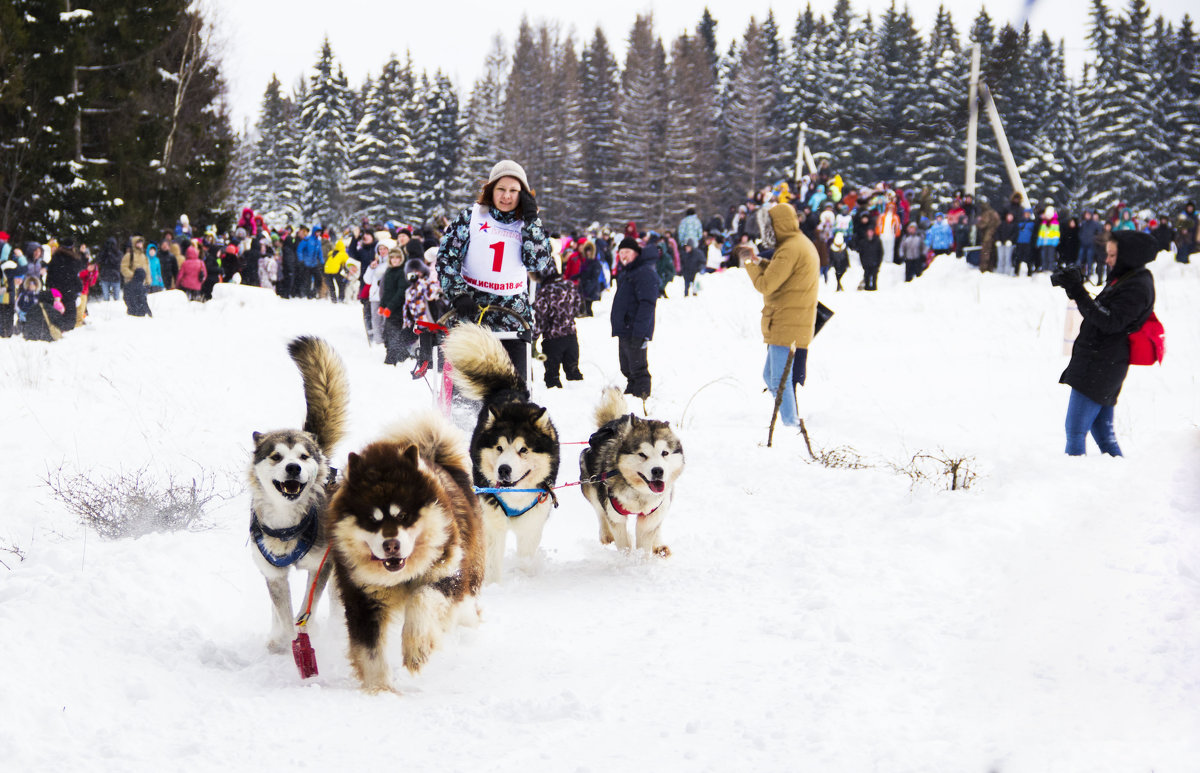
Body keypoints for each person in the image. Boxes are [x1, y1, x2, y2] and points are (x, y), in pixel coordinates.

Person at [436, 160, 553, 380]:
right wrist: (458, 294)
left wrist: (532, 222)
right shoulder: (471, 217)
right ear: (491, 189)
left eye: (513, 191)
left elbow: (537, 263)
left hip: (513, 314)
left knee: (514, 386)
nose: (506, 196)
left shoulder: (528, 224)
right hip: (472, 308)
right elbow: (446, 259)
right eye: (501, 189)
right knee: (469, 385)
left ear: (524, 194)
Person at [1055, 231, 1157, 456]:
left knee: (1075, 432)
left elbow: (1109, 322)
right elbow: (1102, 313)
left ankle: (1072, 482)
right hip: (1103, 363)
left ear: (1128, 256)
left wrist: (1078, 291)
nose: (1107, 260)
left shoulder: (1138, 286)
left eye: (1112, 255)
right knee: (1104, 435)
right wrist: (1074, 287)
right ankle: (1120, 483)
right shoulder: (1127, 277)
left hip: (1100, 365)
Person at [742, 202, 820, 428]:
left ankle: (790, 424)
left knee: (779, 380)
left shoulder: (789, 249)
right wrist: (761, 262)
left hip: (787, 321)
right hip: (793, 319)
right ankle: (789, 417)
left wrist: (748, 262)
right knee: (770, 377)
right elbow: (782, 271)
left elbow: (766, 284)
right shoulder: (799, 243)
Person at [609, 236, 660, 399]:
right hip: (625, 329)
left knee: (638, 369)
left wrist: (639, 331)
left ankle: (642, 399)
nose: (624, 255)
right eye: (621, 252)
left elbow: (647, 304)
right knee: (627, 368)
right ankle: (632, 395)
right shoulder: (628, 271)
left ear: (636, 253)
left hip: (636, 330)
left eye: (627, 252)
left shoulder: (644, 272)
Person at [532, 264, 584, 389]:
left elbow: (540, 320)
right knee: (573, 373)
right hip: (571, 337)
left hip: (552, 341)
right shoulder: (570, 286)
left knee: (552, 377)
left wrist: (533, 337)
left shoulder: (544, 292)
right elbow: (578, 309)